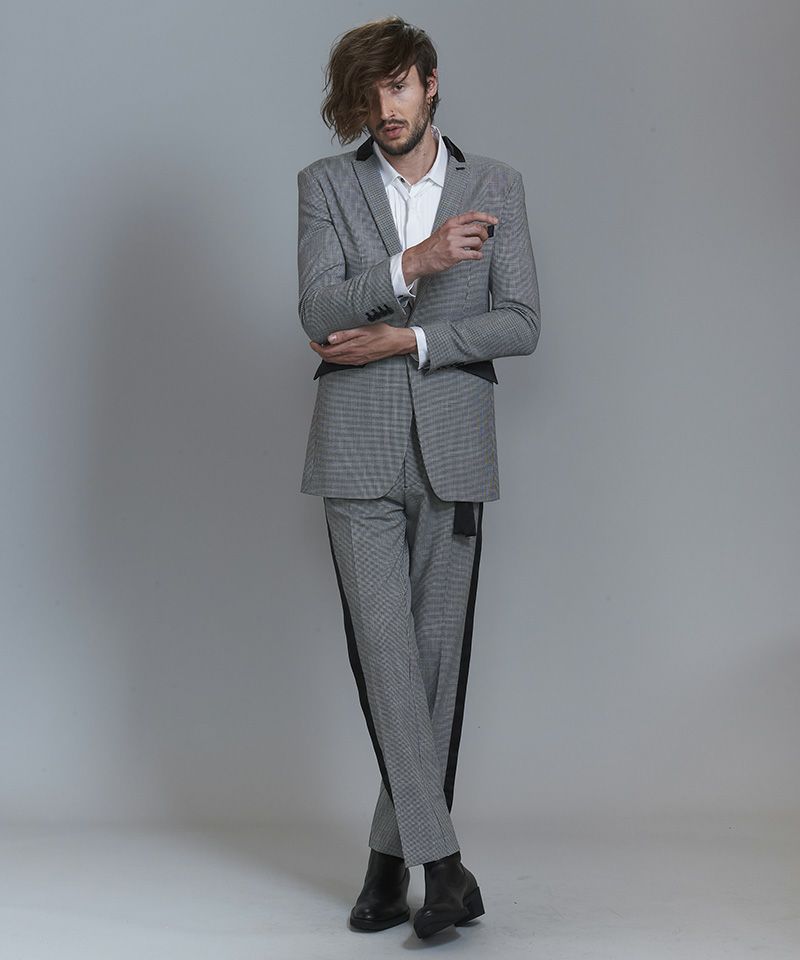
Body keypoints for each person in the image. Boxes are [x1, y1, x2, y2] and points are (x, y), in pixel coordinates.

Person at [296, 15, 540, 940]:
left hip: (454, 448)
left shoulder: (496, 186)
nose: (384, 107)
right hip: (356, 448)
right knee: (387, 655)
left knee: (437, 661)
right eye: (368, 94)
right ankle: (443, 866)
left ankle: (385, 858)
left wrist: (413, 338)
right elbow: (317, 311)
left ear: (430, 82)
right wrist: (416, 262)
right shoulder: (325, 185)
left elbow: (521, 321)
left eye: (397, 86)